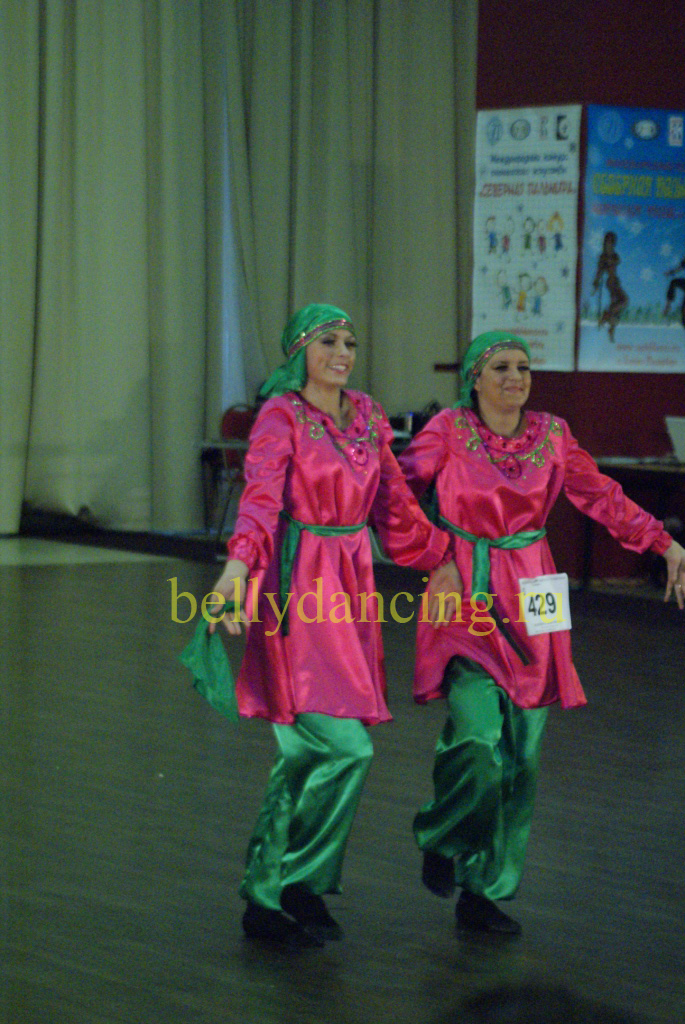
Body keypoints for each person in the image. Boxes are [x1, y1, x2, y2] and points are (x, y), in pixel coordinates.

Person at [397, 330, 685, 936]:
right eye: (501, 367)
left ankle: (484, 891)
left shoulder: (553, 434)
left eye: (523, 367)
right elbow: (396, 494)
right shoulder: (448, 430)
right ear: (475, 378)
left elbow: (599, 494)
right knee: (477, 738)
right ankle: (442, 834)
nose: (515, 377)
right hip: (466, 587)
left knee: (522, 757)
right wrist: (433, 556)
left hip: (536, 588)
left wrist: (662, 542)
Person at [208, 303, 457, 948]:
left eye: (350, 342)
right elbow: (260, 500)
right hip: (295, 587)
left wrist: (441, 559)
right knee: (336, 748)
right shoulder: (281, 415)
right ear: (300, 351)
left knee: (325, 753)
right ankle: (272, 890)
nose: (343, 353)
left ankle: (295, 885)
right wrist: (236, 569)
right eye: (328, 341)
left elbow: (394, 506)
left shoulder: (367, 414)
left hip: (350, 588)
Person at [592, 231, 628, 342]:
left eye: (611, 242)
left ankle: (610, 325)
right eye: (608, 242)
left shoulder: (613, 255)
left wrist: (609, 260)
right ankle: (607, 318)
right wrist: (596, 284)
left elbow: (617, 260)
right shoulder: (603, 257)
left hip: (616, 281)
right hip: (611, 283)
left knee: (617, 306)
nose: (609, 244)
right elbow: (599, 272)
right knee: (623, 301)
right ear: (605, 243)